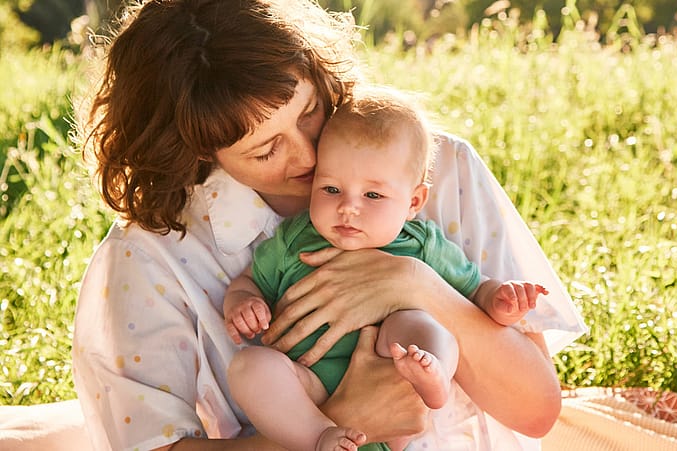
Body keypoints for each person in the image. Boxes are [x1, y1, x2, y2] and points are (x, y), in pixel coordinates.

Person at [70, 0, 588, 450]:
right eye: (266, 150)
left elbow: (536, 410)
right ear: (197, 151)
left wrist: (411, 282)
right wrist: (345, 421)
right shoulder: (151, 257)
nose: (309, 155)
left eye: (310, 112)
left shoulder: (440, 167)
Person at [223, 86, 549, 451]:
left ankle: (432, 379)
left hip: (395, 374)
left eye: (373, 195)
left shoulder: (421, 245)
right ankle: (319, 436)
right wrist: (243, 302)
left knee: (418, 325)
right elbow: (249, 281)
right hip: (311, 387)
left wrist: (500, 301)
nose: (348, 207)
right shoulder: (296, 239)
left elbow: (474, 288)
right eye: (331, 189)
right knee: (250, 366)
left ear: (413, 202)